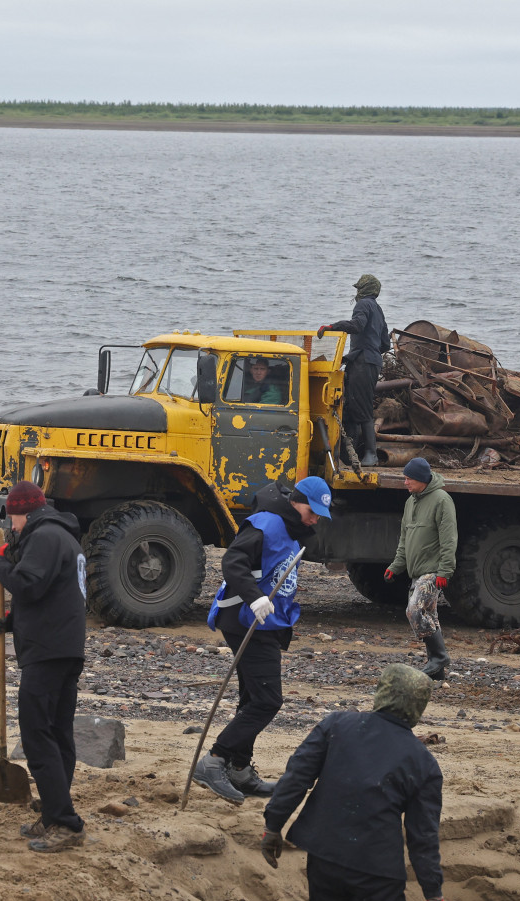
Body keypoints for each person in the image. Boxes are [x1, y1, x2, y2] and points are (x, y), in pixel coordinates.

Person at [260, 664, 449, 901]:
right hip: (378, 875)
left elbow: (296, 777)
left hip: (325, 860)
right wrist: (434, 897)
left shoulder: (336, 726)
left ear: (382, 693)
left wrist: (272, 826)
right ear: (418, 708)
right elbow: (422, 838)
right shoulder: (423, 763)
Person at [192, 476, 333, 804]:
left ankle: (239, 769)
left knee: (252, 698)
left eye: (319, 514)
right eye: (312, 511)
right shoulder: (266, 524)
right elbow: (232, 562)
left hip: (265, 622)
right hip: (246, 620)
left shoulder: (292, 529)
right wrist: (255, 598)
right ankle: (214, 760)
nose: (315, 519)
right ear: (296, 501)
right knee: (267, 701)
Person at [0, 479, 89, 853]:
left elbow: (28, 585)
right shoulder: (66, 538)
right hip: (65, 647)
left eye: (12, 519)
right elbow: (55, 596)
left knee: (37, 735)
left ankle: (65, 822)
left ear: (23, 513)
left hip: (47, 653)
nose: (12, 527)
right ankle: (52, 810)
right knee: (59, 732)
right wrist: (13, 621)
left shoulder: (44, 537)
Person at [384, 457, 458, 681]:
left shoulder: (442, 500)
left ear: (422, 479)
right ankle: (437, 670)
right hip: (416, 571)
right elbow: (404, 540)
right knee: (430, 616)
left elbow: (449, 539)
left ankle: (439, 657)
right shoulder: (411, 502)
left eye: (409, 479)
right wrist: (395, 566)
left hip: (433, 571)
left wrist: (445, 571)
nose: (405, 483)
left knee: (414, 610)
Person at [318, 274, 390, 468]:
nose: (356, 292)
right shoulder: (378, 309)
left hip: (363, 363)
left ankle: (370, 454)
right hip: (370, 361)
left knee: (362, 407)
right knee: (350, 407)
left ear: (364, 289)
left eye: (359, 288)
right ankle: (350, 454)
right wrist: (367, 352)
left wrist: (332, 327)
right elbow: (385, 343)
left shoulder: (363, 305)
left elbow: (357, 326)